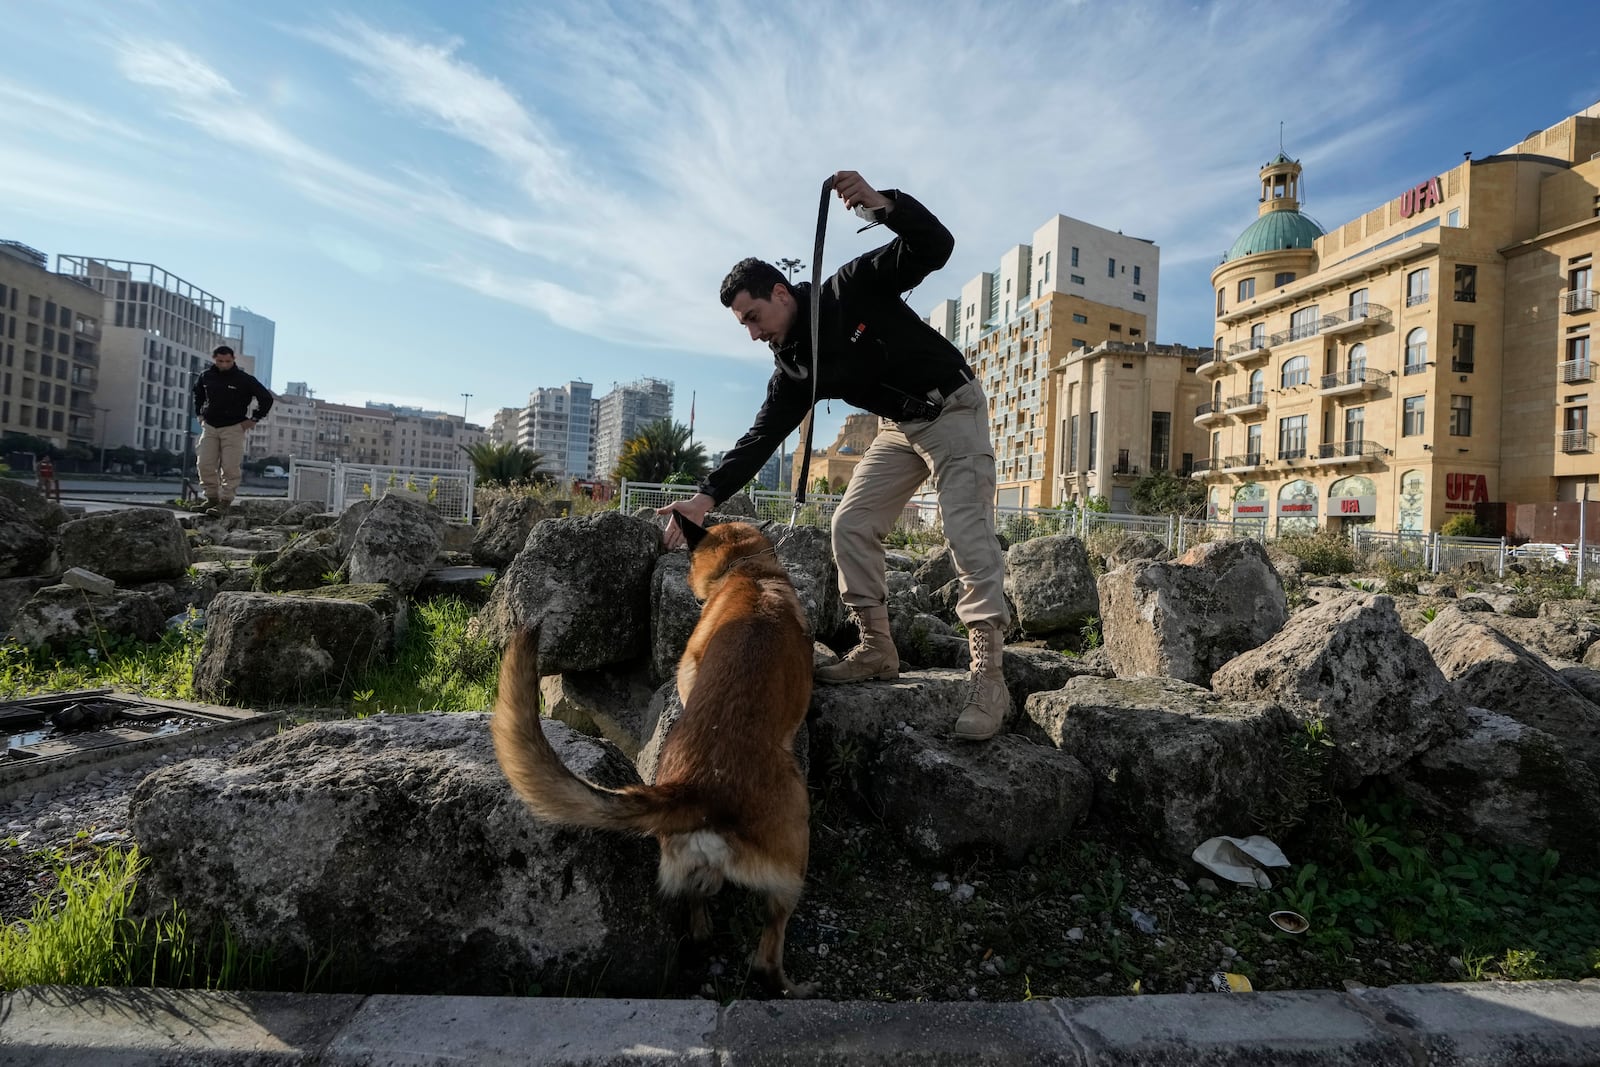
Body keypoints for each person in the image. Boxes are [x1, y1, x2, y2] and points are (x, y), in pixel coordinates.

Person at [658, 170, 1010, 741]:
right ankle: (876, 647)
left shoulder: (850, 287)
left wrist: (883, 205)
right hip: (902, 428)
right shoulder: (795, 366)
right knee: (851, 523)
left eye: (752, 317)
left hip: (953, 409)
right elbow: (760, 436)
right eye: (742, 324)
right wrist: (704, 499)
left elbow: (934, 247)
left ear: (779, 293)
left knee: (967, 536)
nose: (750, 333)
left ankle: (988, 680)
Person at [191, 344, 274, 517]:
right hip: (210, 426)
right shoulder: (206, 376)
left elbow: (266, 398)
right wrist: (198, 414)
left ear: (233, 359)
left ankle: (225, 501)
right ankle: (211, 498)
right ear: (214, 359)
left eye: (227, 361)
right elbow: (197, 394)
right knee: (204, 463)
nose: (224, 365)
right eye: (220, 361)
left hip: (234, 427)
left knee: (230, 466)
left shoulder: (244, 379)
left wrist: (254, 419)